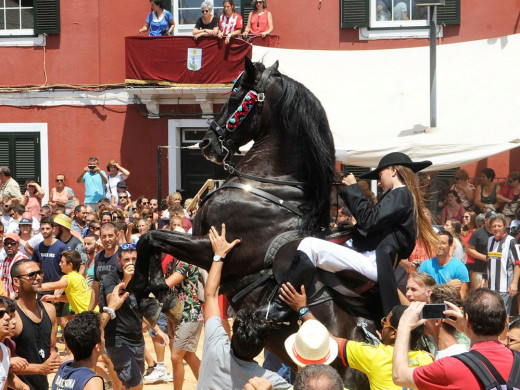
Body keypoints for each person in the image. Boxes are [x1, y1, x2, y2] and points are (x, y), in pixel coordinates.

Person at [268, 152, 438, 321]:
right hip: (372, 260)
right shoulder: (401, 196)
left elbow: (370, 220)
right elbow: (377, 230)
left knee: (309, 245)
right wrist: (355, 228)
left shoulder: (401, 193)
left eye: (380, 175)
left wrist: (353, 189)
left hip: (374, 263)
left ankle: (279, 308)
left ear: (393, 171)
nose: (379, 183)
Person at [278, 282, 432, 390]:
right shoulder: (428, 359)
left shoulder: (375, 356)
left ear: (394, 333)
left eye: (386, 322)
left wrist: (302, 308)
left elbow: (328, 338)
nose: (382, 324)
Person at [197, 224, 291, 390]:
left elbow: (210, 294)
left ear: (232, 338)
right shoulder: (269, 381)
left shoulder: (215, 347)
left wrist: (219, 255)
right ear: (262, 348)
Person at [393, 288, 519, 389]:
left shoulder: (449, 367)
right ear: (504, 324)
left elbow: (399, 376)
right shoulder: (517, 360)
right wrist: (468, 327)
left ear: (467, 320)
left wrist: (404, 325)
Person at [100, 243, 168, 390]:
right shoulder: (110, 279)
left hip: (137, 340)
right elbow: (112, 301)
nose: (131, 262)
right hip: (117, 340)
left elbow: (142, 309)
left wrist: (157, 330)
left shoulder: (141, 280)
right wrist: (125, 279)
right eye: (126, 259)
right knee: (136, 384)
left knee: (129, 384)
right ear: (119, 261)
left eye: (134, 259)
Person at [10, 260, 61, 389]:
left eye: (39, 273)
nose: (38, 278)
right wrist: (40, 368)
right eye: (32, 275)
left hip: (42, 385)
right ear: (16, 281)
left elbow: (51, 349)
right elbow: (4, 362)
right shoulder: (10, 316)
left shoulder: (50, 310)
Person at [51, 311, 105, 390]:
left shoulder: (63, 368)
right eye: (103, 336)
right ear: (97, 347)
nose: (104, 340)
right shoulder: (92, 382)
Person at [485, 213, 520, 315]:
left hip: (505, 287)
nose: (497, 228)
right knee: (492, 315)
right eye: (494, 226)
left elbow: (518, 263)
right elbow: (489, 261)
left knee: (503, 316)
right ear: (490, 227)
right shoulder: (490, 240)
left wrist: (514, 283)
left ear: (505, 226)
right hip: (491, 288)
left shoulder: (511, 241)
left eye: (499, 226)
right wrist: (484, 278)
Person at [418, 231, 469, 299]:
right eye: (436, 242)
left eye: (443, 243)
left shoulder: (459, 267)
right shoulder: (426, 265)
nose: (439, 246)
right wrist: (447, 287)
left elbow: (461, 297)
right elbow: (421, 292)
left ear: (450, 246)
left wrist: (434, 290)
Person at [425, 284, 468, 360]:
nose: (422, 317)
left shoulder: (453, 357)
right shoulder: (447, 352)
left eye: (426, 311)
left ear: (437, 320)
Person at [90, 223, 119, 311]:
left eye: (110, 236)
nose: (107, 239)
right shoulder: (98, 257)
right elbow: (96, 288)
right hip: (104, 309)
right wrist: (89, 312)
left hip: (121, 311)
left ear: (117, 236)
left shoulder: (122, 255)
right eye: (104, 236)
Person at [467, 211, 494, 290]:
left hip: (496, 271)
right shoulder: (478, 233)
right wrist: (485, 258)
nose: (493, 221)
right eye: (491, 219)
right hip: (480, 270)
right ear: (485, 220)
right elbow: (469, 250)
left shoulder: (498, 232)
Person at [0, 233, 28, 299]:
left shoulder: (21, 260)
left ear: (19, 245)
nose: (9, 246)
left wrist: (11, 302)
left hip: (18, 300)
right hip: (8, 300)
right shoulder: (6, 260)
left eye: (13, 243)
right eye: (6, 243)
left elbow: (23, 285)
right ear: (3, 246)